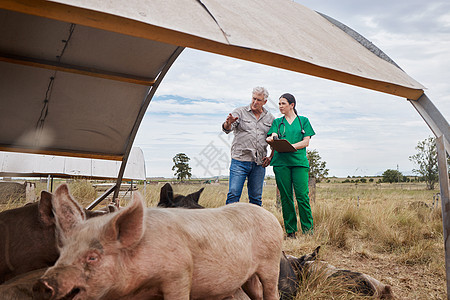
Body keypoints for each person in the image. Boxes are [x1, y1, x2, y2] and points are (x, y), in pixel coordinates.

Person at [266, 93, 315, 238]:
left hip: (299, 163)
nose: (280, 106)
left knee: (302, 197)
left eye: (283, 103)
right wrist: (272, 139)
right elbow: (272, 135)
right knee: (286, 198)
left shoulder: (303, 121)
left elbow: (306, 142)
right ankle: (291, 231)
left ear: (292, 105)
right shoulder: (277, 122)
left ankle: (308, 231)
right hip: (281, 163)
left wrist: (290, 146)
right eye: (279, 104)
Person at [222, 87, 275, 206]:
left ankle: (255, 224)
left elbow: (274, 142)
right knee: (234, 194)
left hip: (259, 164)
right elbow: (227, 128)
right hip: (240, 161)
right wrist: (228, 123)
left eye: (259, 100)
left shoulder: (270, 119)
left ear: (265, 102)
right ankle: (230, 224)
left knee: (256, 198)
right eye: (254, 98)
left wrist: (271, 157)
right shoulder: (239, 112)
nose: (255, 102)